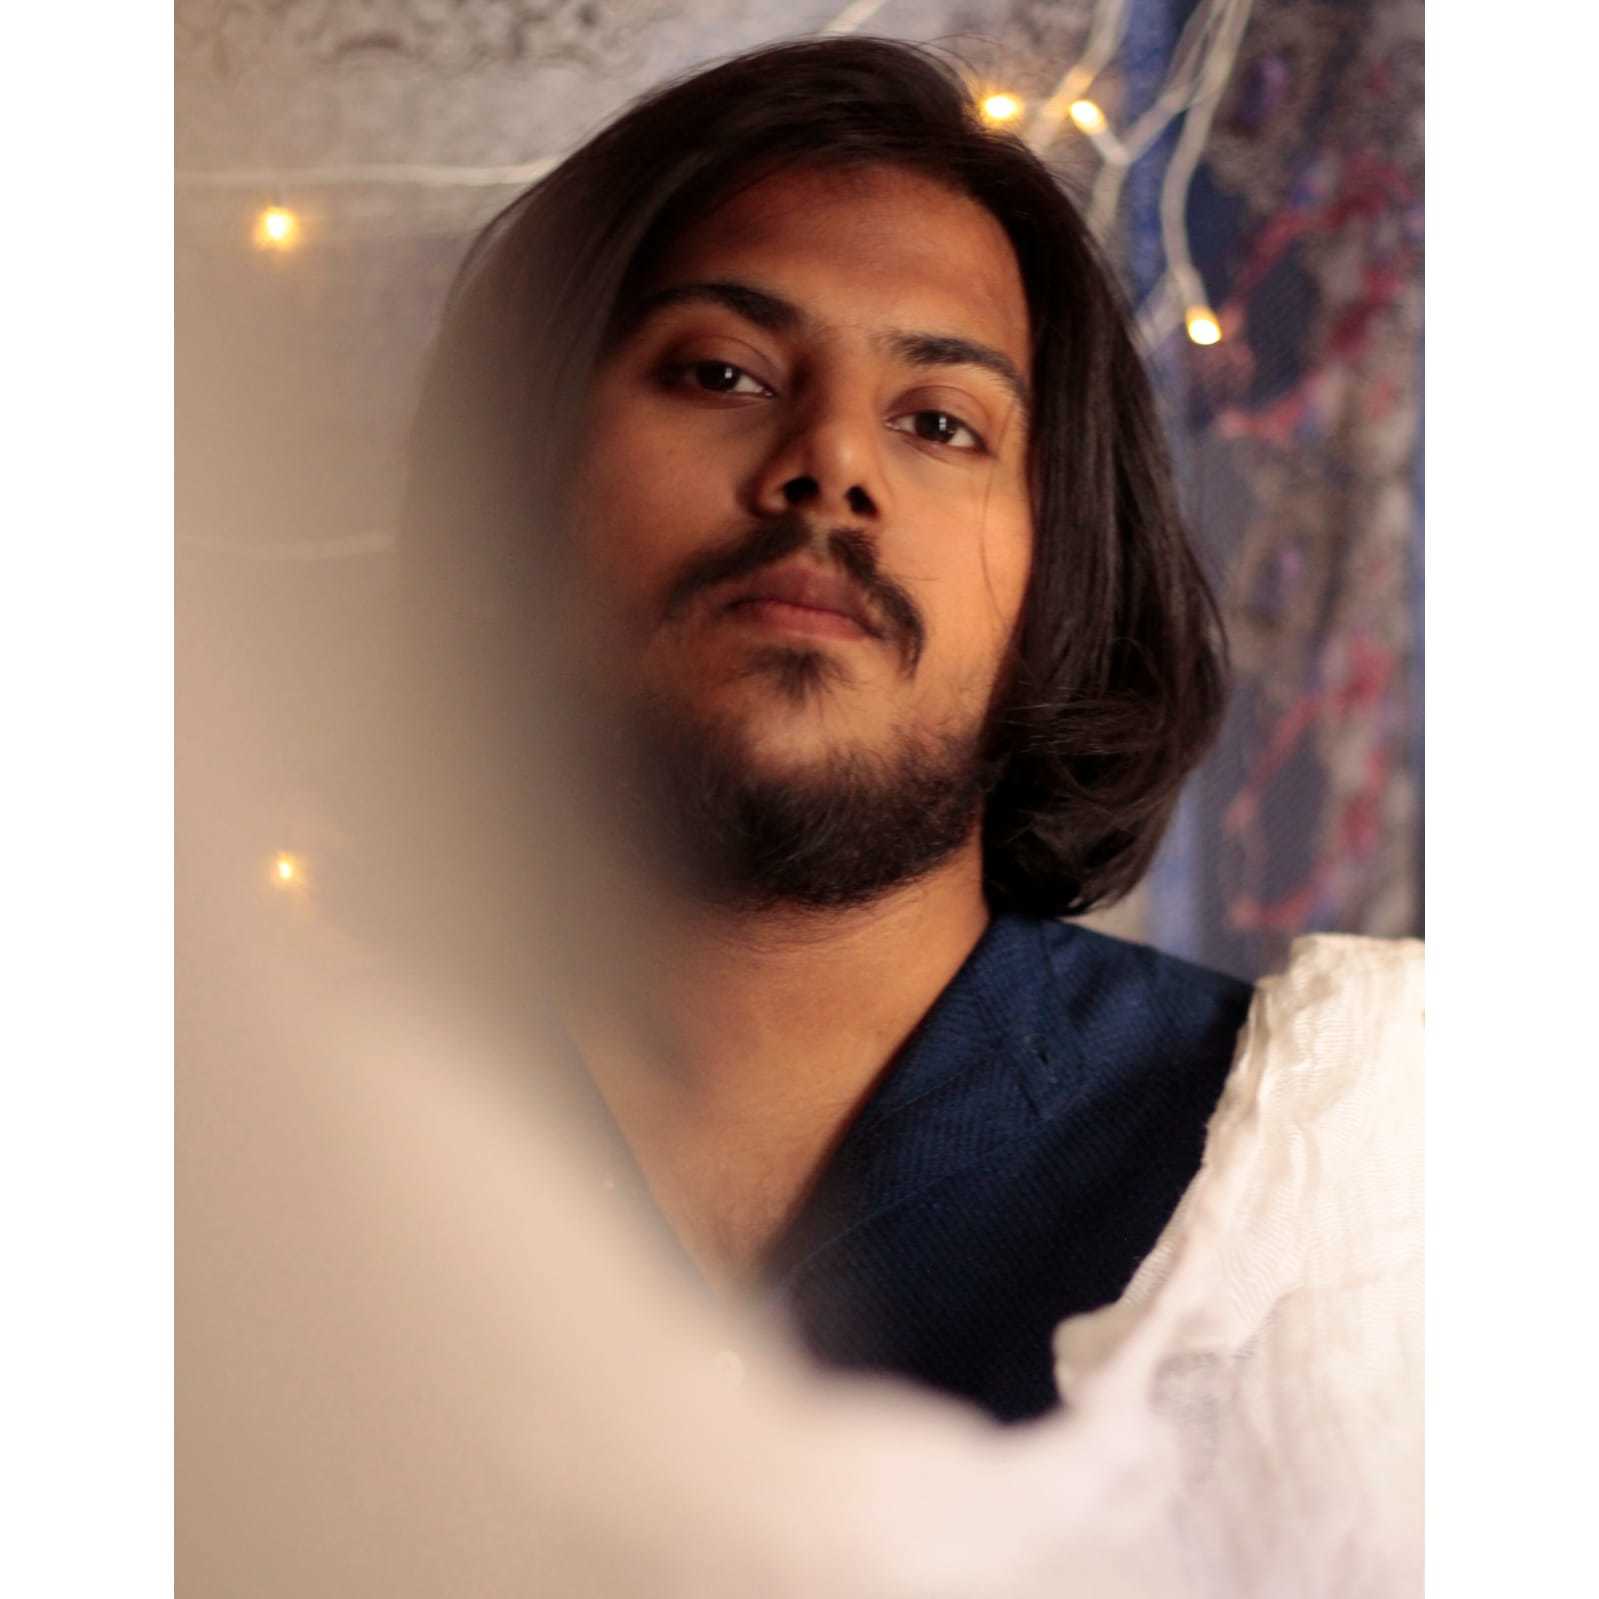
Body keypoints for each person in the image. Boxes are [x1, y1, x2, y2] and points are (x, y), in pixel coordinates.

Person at [393, 34, 1254, 1426]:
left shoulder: (1320, 1180)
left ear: (1063, 569)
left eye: (941, 423)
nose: (832, 466)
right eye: (722, 374)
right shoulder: (245, 1136)